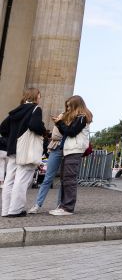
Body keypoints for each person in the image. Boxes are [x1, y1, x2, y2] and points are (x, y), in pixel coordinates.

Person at [1, 88, 46, 217]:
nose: (40, 98)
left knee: (9, 180)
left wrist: (11, 138)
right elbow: (34, 125)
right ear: (36, 96)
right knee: (22, 179)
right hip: (26, 150)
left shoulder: (16, 110)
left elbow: (3, 127)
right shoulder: (35, 109)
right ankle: (15, 210)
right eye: (39, 95)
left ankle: (5, 210)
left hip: (13, 149)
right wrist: (43, 129)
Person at [48, 95, 93, 216]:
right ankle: (64, 206)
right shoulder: (78, 117)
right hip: (69, 150)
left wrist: (60, 123)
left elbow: (72, 132)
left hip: (74, 150)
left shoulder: (82, 117)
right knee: (65, 179)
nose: (67, 108)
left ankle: (68, 208)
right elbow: (67, 132)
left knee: (69, 179)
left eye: (69, 106)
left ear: (76, 105)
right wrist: (59, 124)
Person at [29, 124, 64, 213]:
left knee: (64, 180)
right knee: (48, 178)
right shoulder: (61, 116)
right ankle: (37, 204)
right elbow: (55, 135)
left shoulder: (75, 117)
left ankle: (60, 205)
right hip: (56, 147)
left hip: (68, 148)